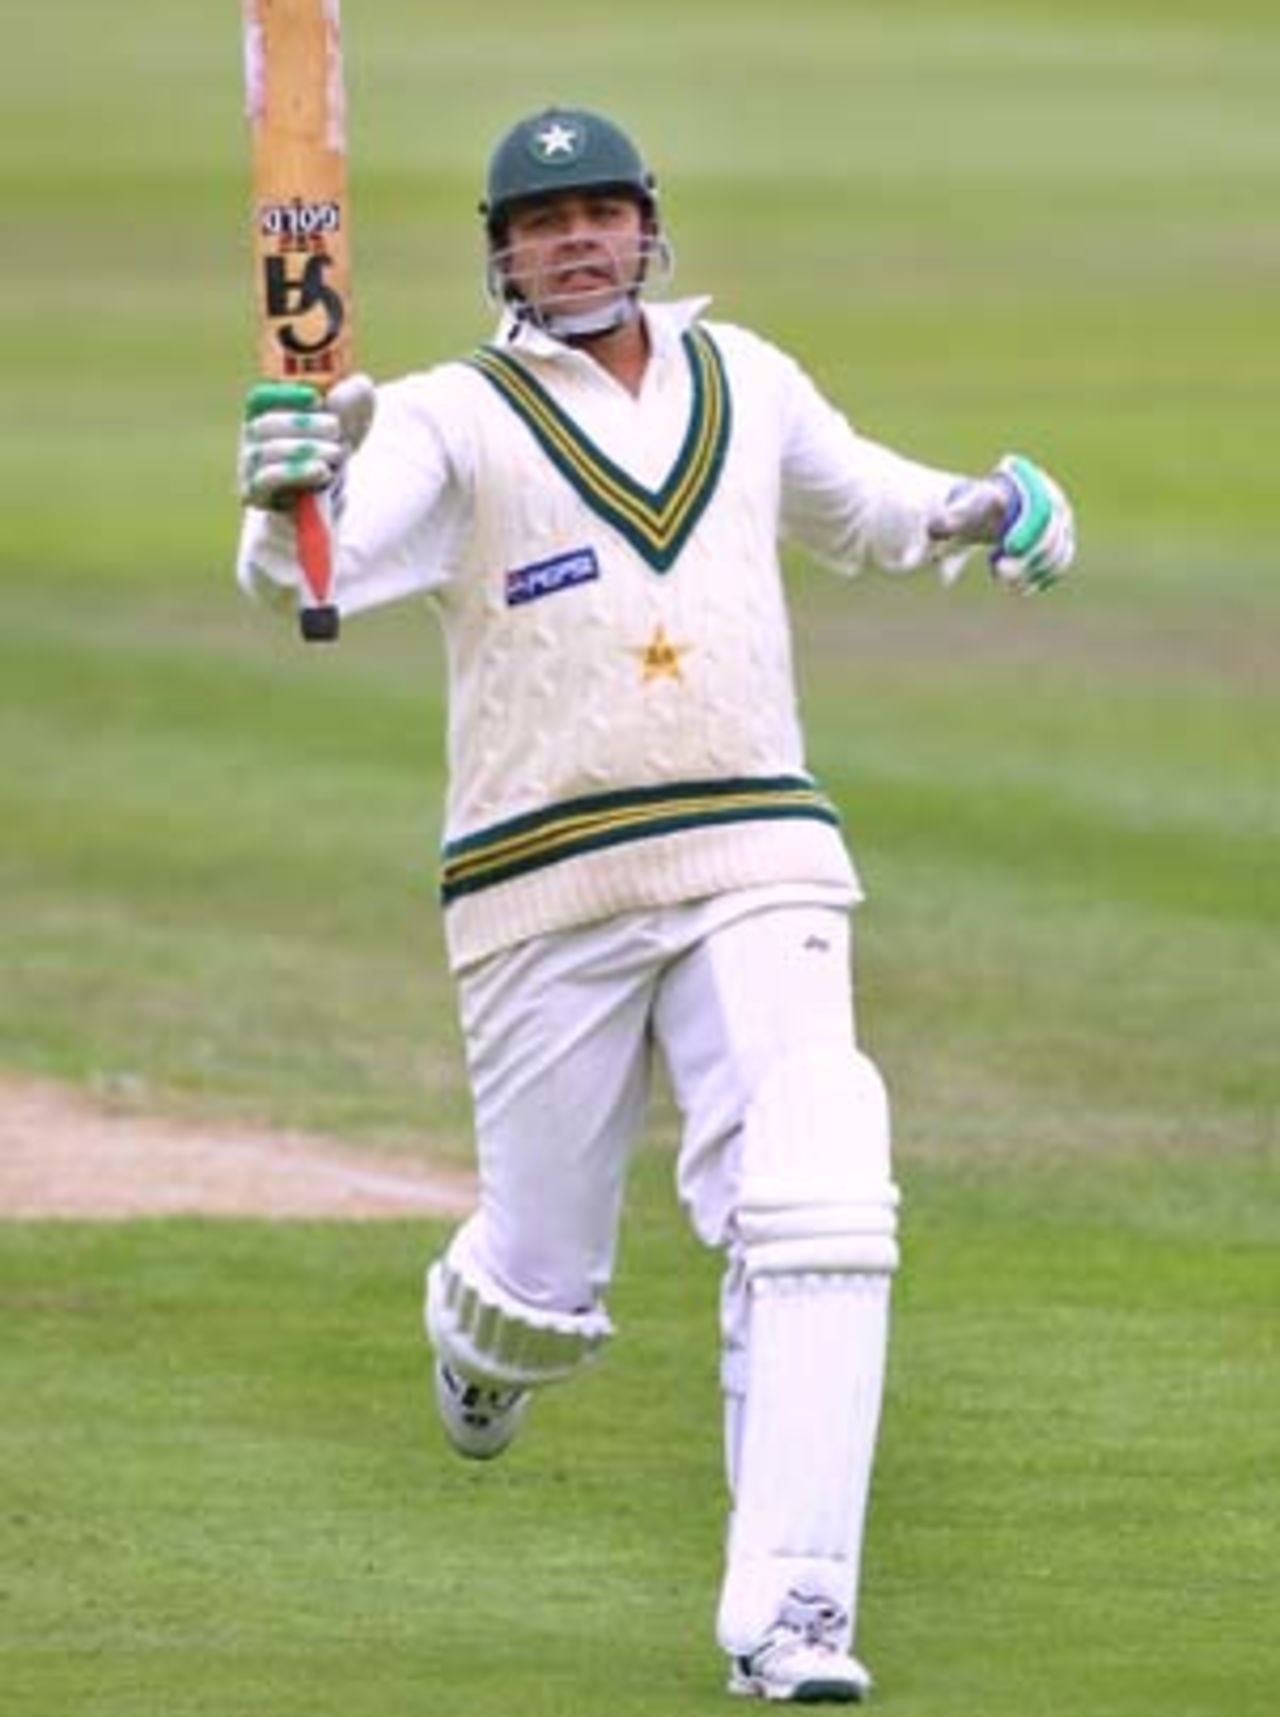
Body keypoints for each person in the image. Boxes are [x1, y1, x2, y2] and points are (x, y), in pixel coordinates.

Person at [236, 105, 1075, 1704]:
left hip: (760, 848)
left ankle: (794, 1616)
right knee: (543, 1291)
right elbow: (317, 574)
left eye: (603, 213)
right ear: (499, 253)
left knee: (820, 1181)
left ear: (648, 227)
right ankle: (483, 1337)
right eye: (544, 223)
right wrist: (289, 491)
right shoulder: (443, 414)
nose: (578, 241)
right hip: (537, 888)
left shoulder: (744, 376)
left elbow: (870, 503)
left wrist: (987, 502)